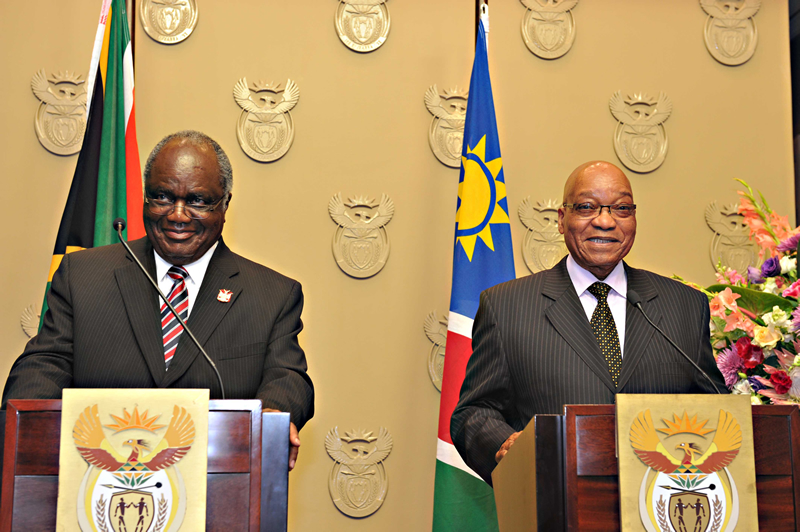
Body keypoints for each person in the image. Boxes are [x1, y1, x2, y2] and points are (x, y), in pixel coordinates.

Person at [3, 131, 313, 470]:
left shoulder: (271, 294)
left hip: (216, 479)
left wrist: (273, 414)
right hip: (95, 476)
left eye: (197, 200)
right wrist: (24, 424)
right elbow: (45, 364)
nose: (177, 215)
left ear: (224, 204)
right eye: (162, 197)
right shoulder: (83, 275)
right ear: (145, 197)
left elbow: (287, 376)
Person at [450, 160, 726, 484]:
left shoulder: (684, 306)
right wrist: (503, 444)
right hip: (556, 501)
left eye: (621, 208)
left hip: (661, 503)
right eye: (586, 207)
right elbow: (473, 412)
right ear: (562, 219)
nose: (606, 221)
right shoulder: (506, 307)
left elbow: (718, 413)